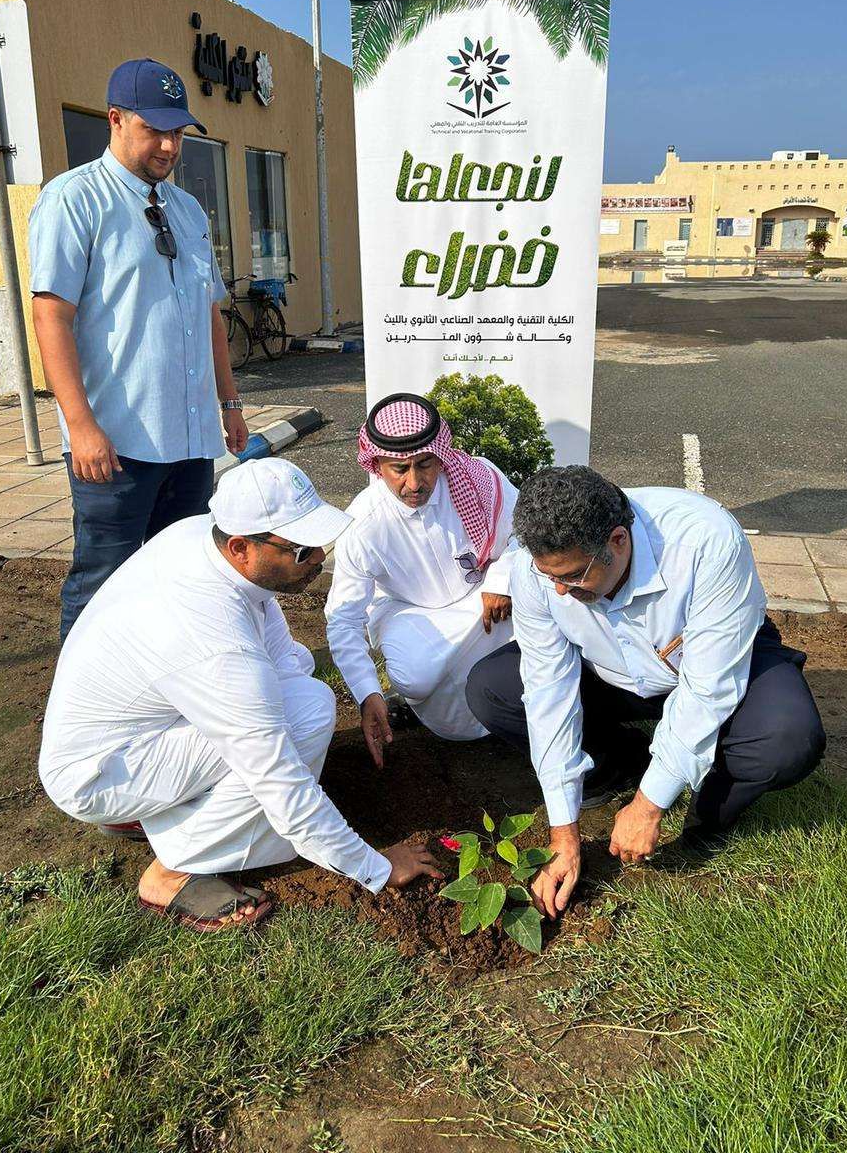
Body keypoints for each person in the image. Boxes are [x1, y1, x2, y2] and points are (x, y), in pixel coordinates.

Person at [38, 458, 440, 933]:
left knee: (301, 696)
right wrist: (376, 866)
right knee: (304, 717)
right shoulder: (210, 641)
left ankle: (154, 813)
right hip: (100, 773)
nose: (317, 559)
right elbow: (278, 778)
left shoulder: (205, 541)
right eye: (301, 551)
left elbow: (281, 654)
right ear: (240, 547)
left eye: (319, 545)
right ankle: (176, 868)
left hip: (134, 737)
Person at [466, 466, 825, 920]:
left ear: (618, 540)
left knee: (788, 739)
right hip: (611, 669)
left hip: (713, 662)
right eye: (549, 576)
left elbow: (709, 688)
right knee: (493, 688)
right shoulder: (539, 571)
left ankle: (708, 810)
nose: (559, 589)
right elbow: (547, 691)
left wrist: (650, 804)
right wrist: (564, 832)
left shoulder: (705, 541)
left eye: (575, 576)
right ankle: (618, 765)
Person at [29, 58, 249, 643]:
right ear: (115, 119)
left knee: (185, 574)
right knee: (105, 581)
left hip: (191, 438)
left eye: (176, 132)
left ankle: (165, 690)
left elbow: (209, 315)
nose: (169, 145)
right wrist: (81, 426)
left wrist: (229, 403)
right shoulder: (74, 200)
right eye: (154, 130)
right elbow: (50, 317)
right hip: (118, 441)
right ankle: (84, 715)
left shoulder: (188, 210)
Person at [325, 393, 518, 764]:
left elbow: (528, 533)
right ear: (377, 464)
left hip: (484, 595)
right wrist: (368, 693)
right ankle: (423, 703)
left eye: (425, 464)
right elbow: (343, 619)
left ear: (441, 455)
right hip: (409, 610)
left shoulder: (477, 478)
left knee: (541, 597)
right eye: (400, 469)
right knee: (415, 676)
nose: (414, 483)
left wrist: (502, 579)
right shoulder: (363, 525)